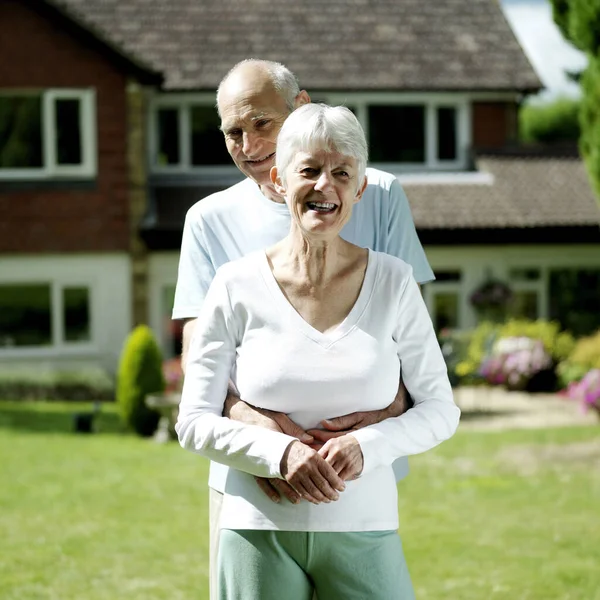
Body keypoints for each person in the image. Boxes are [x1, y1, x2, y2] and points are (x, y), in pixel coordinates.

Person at [172, 59, 435, 598]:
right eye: (232, 132)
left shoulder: (377, 191)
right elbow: (201, 352)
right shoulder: (208, 219)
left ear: (301, 107)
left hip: (359, 483)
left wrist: (382, 423)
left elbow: (410, 332)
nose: (247, 144)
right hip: (251, 481)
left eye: (261, 124)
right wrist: (263, 437)